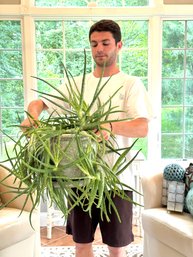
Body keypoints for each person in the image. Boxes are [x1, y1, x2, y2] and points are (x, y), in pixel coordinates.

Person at [21, 19, 152, 257]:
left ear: (119, 46)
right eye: (94, 44)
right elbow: (39, 102)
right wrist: (32, 116)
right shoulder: (78, 84)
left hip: (116, 179)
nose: (99, 49)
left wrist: (108, 126)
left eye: (105, 43)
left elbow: (142, 127)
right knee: (81, 244)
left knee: (116, 246)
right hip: (78, 176)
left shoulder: (130, 84)